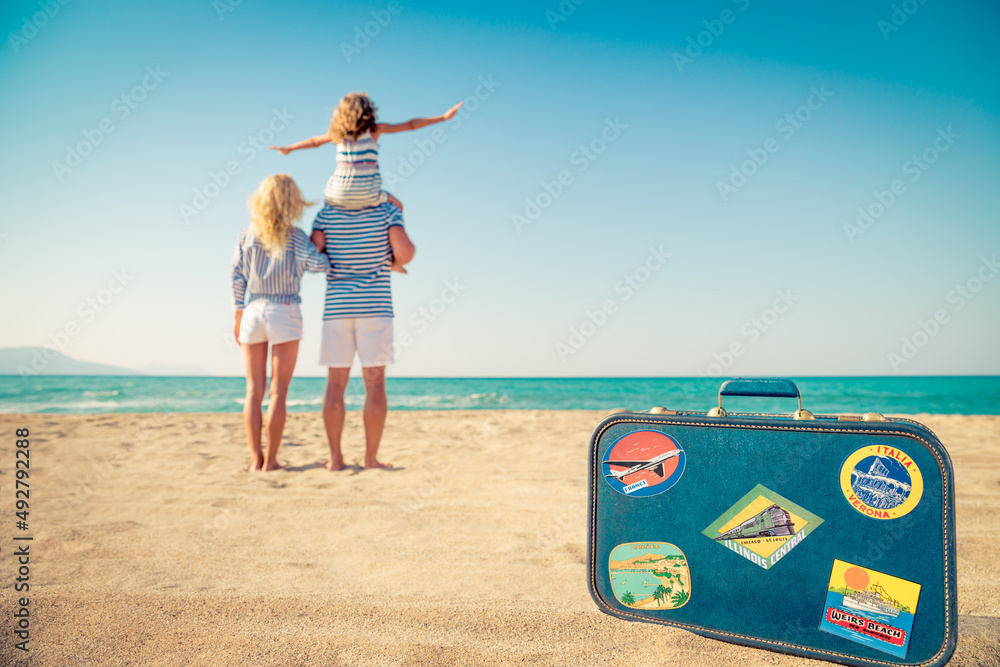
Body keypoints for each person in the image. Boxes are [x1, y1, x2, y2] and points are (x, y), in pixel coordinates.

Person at [231, 174, 330, 472]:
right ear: (292, 201)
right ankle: (271, 460)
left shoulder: (246, 235)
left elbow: (236, 277)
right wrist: (320, 244)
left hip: (253, 309)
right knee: (278, 392)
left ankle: (254, 459)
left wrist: (238, 314)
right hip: (284, 309)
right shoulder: (296, 236)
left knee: (253, 390)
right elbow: (319, 265)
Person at [311, 200, 415, 471]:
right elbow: (405, 253)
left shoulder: (326, 214)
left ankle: (335, 459)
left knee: (335, 385)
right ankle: (370, 459)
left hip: (337, 309)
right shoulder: (386, 210)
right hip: (375, 308)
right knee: (375, 384)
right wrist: (388, 262)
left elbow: (315, 255)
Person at [270, 92, 463, 213]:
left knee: (326, 215)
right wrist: (443, 117)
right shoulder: (374, 130)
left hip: (337, 194)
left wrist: (290, 148)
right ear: (369, 112)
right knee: (398, 206)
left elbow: (313, 142)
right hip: (368, 193)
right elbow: (410, 125)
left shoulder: (338, 135)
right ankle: (394, 259)